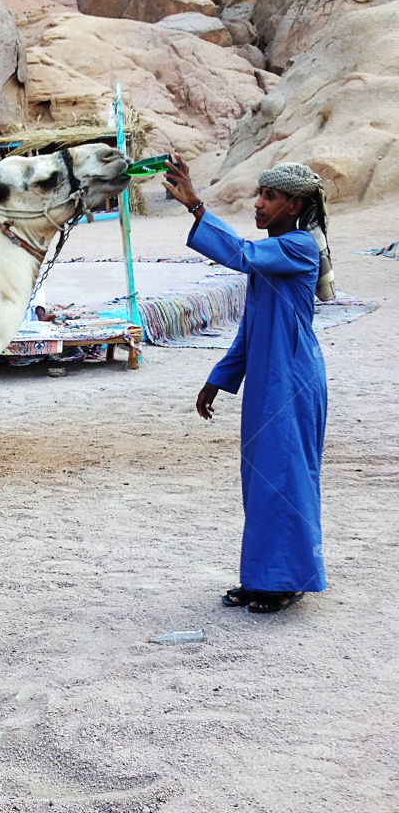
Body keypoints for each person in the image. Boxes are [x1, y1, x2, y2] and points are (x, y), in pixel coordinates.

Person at [163, 155, 333, 613]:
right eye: (259, 194)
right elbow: (250, 327)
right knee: (262, 481)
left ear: (295, 205)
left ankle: (289, 580)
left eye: (269, 197)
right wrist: (218, 378)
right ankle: (262, 578)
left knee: (287, 478)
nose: (258, 204)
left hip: (292, 381)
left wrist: (197, 207)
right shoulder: (276, 253)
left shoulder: (298, 248)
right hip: (266, 382)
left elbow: (238, 253)